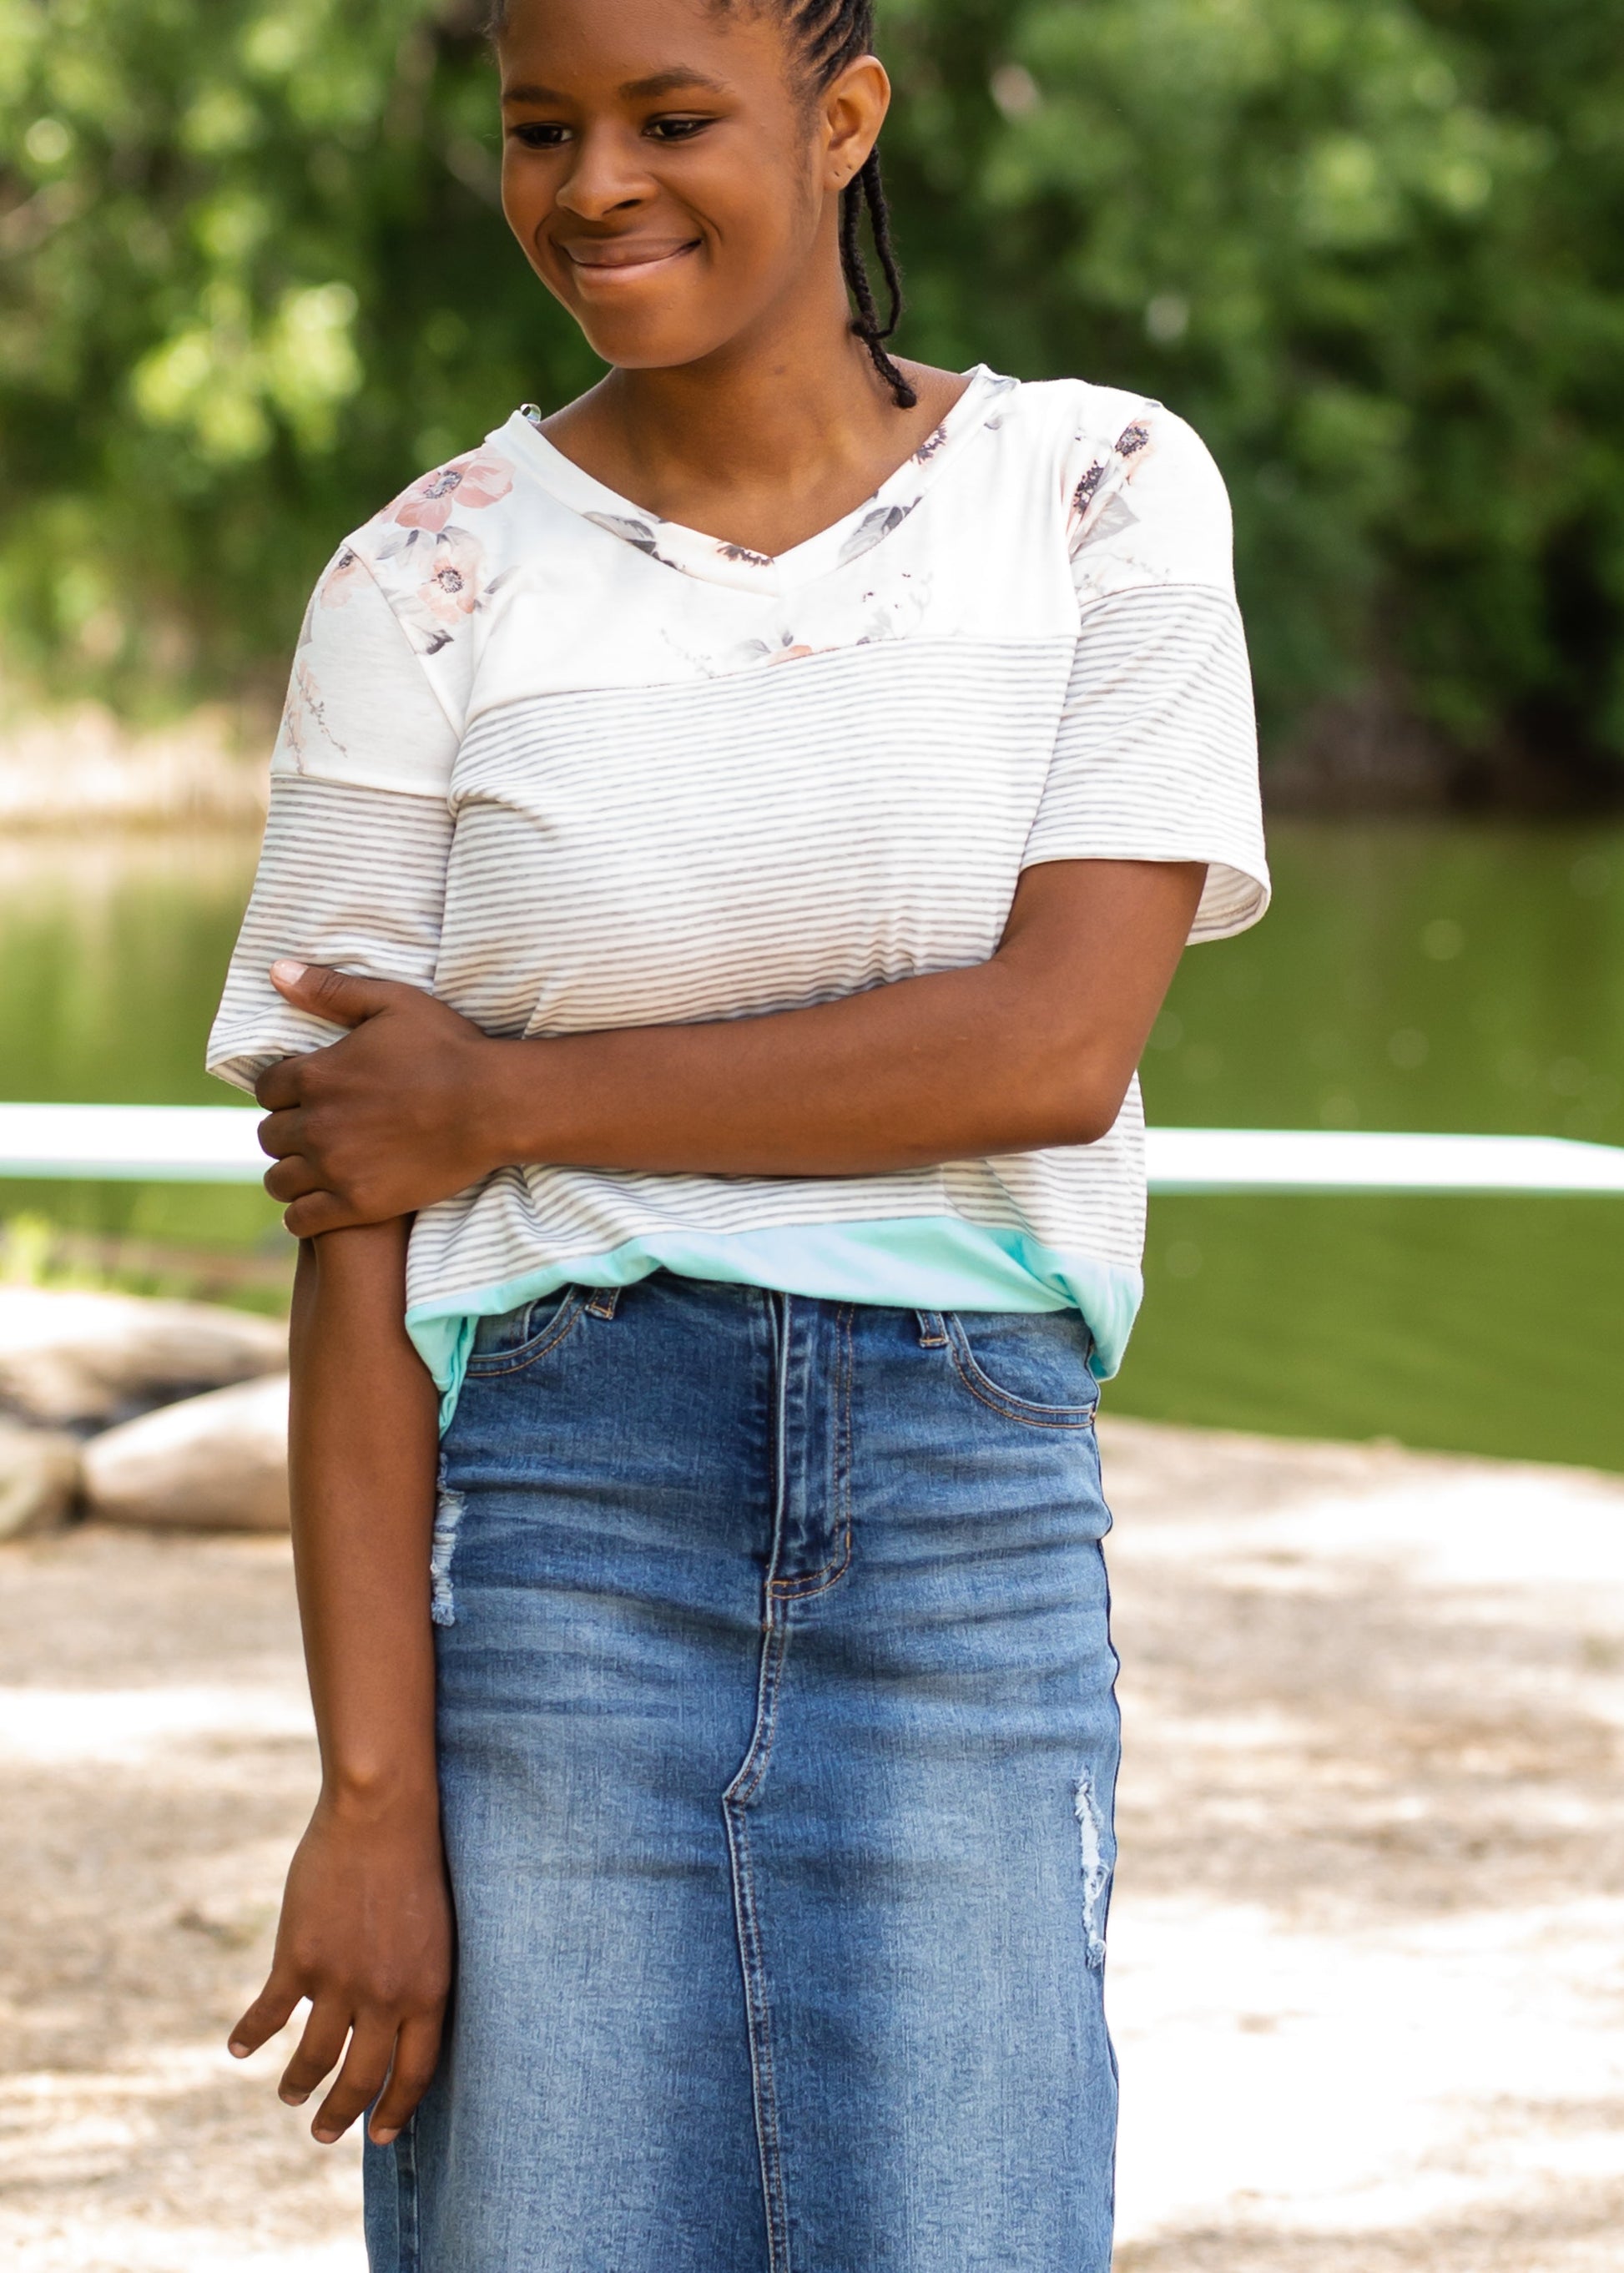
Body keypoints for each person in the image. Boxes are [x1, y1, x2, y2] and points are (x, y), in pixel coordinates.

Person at [206, 0, 1268, 2265]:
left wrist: (501, 1099)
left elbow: (1049, 1043)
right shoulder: (422, 583)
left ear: (845, 115)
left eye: (670, 118)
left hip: (965, 1529)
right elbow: (357, 1225)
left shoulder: (1096, 492)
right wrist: (371, 1795)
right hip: (565, 1522)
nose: (594, 185)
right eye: (538, 125)